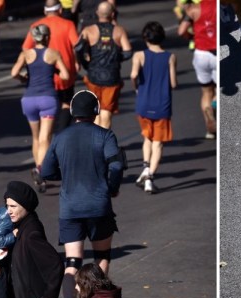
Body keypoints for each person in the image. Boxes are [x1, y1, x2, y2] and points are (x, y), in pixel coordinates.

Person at [40, 90, 124, 298]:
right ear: (95, 111)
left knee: (72, 262)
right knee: (102, 257)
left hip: (70, 207)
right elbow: (116, 164)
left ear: (74, 112)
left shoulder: (61, 137)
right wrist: (112, 187)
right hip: (99, 205)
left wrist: (63, 174)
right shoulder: (105, 135)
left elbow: (46, 171)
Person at [12, 24, 70, 194]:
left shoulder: (26, 54)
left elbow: (14, 72)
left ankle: (41, 178)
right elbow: (66, 76)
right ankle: (40, 169)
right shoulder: (53, 54)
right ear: (47, 37)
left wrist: (24, 78)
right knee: (46, 138)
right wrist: (55, 72)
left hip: (29, 99)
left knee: (36, 138)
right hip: (48, 98)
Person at [131, 21, 177, 194]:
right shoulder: (170, 57)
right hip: (162, 105)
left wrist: (137, 87)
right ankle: (149, 176)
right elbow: (173, 83)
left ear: (145, 38)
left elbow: (134, 74)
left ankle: (145, 168)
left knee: (147, 138)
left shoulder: (139, 55)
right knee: (158, 144)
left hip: (143, 103)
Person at [22, 0, 80, 133]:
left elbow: (26, 48)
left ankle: (47, 135)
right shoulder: (68, 24)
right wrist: (77, 62)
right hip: (64, 73)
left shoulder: (36, 26)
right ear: (60, 10)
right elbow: (76, 46)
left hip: (44, 77)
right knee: (66, 103)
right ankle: (61, 131)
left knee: (46, 108)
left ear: (44, 11)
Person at [78, 1, 132, 129]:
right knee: (106, 110)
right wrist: (116, 58)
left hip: (93, 76)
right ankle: (103, 140)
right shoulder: (119, 31)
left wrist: (86, 62)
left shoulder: (89, 30)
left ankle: (94, 140)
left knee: (95, 109)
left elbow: (78, 47)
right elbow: (128, 52)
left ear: (97, 13)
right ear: (112, 14)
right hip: (112, 77)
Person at [178, 0, 217, 139]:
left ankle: (209, 127)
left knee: (206, 91)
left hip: (201, 54)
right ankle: (215, 105)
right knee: (219, 90)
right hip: (216, 54)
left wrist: (192, 37)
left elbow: (182, 30)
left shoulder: (194, 8)